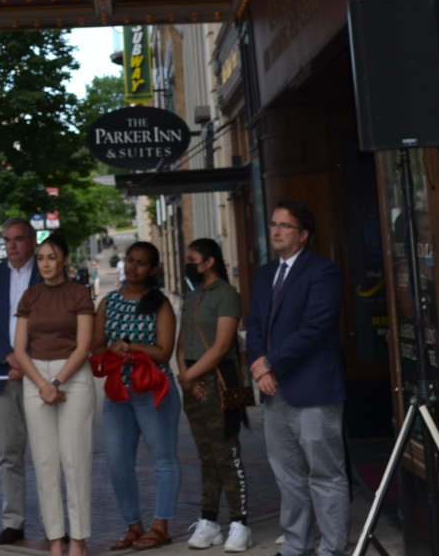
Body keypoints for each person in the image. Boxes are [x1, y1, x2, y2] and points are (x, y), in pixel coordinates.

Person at [245, 201, 347, 556]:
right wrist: (259, 364)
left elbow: (314, 328)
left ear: (303, 235)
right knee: (287, 477)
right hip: (274, 393)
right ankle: (295, 546)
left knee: (325, 475)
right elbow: (254, 325)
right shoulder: (263, 274)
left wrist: (269, 363)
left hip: (314, 390)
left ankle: (332, 550)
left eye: (284, 226)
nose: (275, 230)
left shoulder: (323, 272)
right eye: (273, 223)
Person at [9, 232, 96, 556]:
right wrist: (42, 384)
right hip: (35, 378)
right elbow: (19, 349)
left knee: (75, 461)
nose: (46, 264)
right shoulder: (30, 296)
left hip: (71, 377)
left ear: (65, 260)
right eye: (41, 258)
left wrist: (56, 383)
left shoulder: (79, 293)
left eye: (52, 257)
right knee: (45, 462)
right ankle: (56, 538)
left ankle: (78, 539)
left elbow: (85, 346)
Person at [91, 241, 180, 550]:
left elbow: (164, 352)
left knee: (163, 460)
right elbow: (97, 346)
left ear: (152, 269)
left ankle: (160, 526)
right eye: (130, 260)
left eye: (141, 263)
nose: (133, 267)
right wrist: (113, 353)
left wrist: (130, 347)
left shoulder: (160, 304)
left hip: (153, 392)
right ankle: (133, 525)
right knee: (116, 461)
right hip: (119, 392)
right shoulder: (108, 302)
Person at [177, 238, 251, 553]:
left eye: (193, 259)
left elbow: (222, 347)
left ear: (209, 262)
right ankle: (209, 520)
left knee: (226, 454)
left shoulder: (227, 295)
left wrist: (190, 376)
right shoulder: (191, 297)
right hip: (193, 382)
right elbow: (182, 343)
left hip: (219, 381)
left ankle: (240, 522)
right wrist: (185, 377)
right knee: (206, 456)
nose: (189, 265)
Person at [0, 216, 43, 546]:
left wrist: (25, 361)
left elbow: (54, 323)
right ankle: (13, 521)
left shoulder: (46, 275)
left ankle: (53, 522)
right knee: (9, 453)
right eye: (6, 240)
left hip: (40, 374)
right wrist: (9, 356)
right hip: (2, 374)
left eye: (17, 239)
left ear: (31, 242)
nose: (11, 245)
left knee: (46, 452)